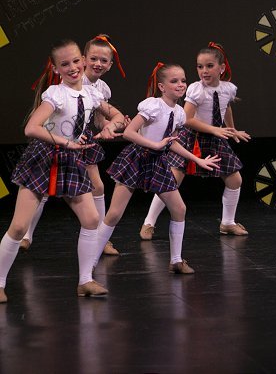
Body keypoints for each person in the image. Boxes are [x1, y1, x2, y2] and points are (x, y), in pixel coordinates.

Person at [1, 39, 126, 303]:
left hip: (71, 159)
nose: (73, 68)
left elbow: (117, 116)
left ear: (83, 60)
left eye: (76, 61)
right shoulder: (56, 94)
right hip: (44, 157)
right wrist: (65, 142)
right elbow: (32, 128)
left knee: (91, 219)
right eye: (65, 64)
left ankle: (85, 281)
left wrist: (109, 127)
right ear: (56, 69)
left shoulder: (91, 94)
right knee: (19, 226)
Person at [97, 63, 220, 274]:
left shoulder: (179, 113)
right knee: (115, 214)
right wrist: (155, 145)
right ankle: (92, 259)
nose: (180, 84)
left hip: (158, 161)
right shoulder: (153, 105)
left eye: (183, 80)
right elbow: (129, 132)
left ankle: (176, 261)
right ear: (162, 87)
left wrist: (196, 160)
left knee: (179, 209)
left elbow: (172, 142)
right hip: (137, 158)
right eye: (174, 81)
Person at [20, 34, 129, 255]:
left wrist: (111, 126)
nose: (98, 64)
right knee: (42, 190)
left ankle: (100, 238)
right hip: (60, 137)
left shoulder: (101, 89)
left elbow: (98, 119)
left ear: (110, 65)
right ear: (84, 59)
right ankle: (25, 234)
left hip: (83, 139)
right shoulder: (72, 81)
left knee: (98, 186)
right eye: (93, 59)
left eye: (104, 61)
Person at [139, 43, 250, 240]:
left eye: (209, 66)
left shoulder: (227, 89)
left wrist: (231, 129)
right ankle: (149, 222)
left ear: (221, 68)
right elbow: (188, 119)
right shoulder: (197, 90)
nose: (204, 71)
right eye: (200, 66)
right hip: (193, 138)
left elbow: (226, 108)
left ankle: (228, 222)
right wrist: (215, 129)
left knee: (235, 180)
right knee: (171, 181)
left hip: (215, 138)